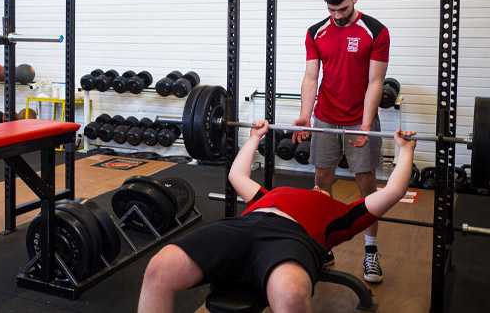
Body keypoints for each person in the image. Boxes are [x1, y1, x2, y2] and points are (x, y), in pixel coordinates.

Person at [137, 121, 416, 313]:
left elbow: (393, 191)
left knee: (292, 295)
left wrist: (406, 150)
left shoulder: (342, 216)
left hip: (289, 240)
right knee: (158, 268)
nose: (318, 187)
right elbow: (237, 175)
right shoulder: (267, 196)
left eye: (323, 189)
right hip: (242, 226)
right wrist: (255, 137)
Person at [292, 0, 390, 282]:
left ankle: (371, 251)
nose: (337, 16)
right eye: (331, 11)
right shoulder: (316, 32)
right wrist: (305, 115)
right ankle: (324, 242)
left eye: (343, 10)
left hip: (360, 118)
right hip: (325, 116)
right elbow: (311, 77)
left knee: (365, 183)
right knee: (322, 179)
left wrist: (364, 124)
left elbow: (376, 82)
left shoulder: (376, 32)